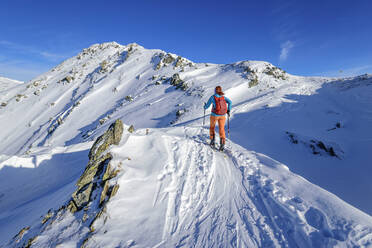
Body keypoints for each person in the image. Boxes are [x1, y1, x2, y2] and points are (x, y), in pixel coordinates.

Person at [204, 86, 232, 151]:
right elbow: (230, 102)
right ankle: (222, 144)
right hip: (223, 115)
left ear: (215, 90)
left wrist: (204, 107)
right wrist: (228, 110)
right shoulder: (223, 97)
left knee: (212, 127)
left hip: (214, 115)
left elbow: (207, 106)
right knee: (221, 129)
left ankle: (212, 141)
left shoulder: (212, 97)